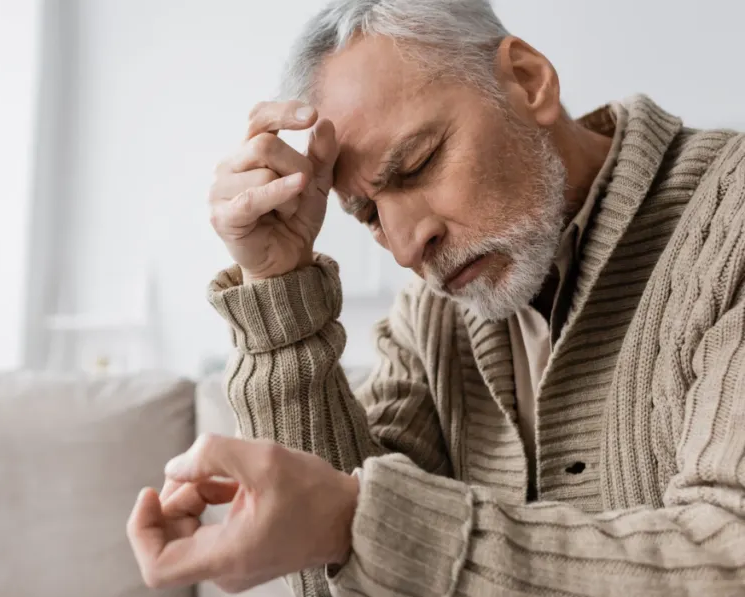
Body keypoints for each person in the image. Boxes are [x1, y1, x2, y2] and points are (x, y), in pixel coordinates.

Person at [126, 1, 745, 595]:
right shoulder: (430, 320)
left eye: (418, 164)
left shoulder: (732, 217)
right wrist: (276, 281)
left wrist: (353, 523)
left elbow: (731, 558)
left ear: (529, 81)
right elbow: (331, 578)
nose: (404, 246)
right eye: (369, 214)